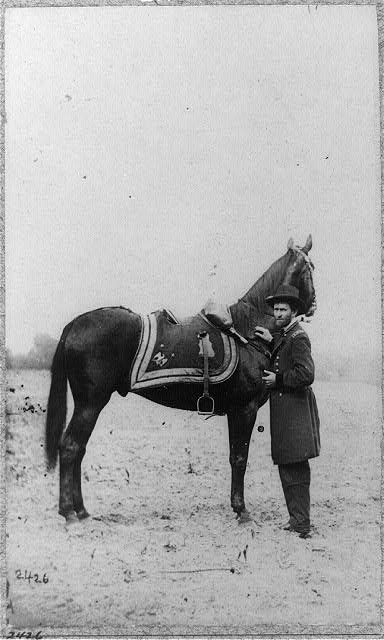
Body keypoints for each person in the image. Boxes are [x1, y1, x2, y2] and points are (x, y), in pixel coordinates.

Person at [254, 284, 320, 539]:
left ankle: (302, 523)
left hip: (295, 413)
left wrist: (278, 380)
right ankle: (296, 519)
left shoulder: (298, 337)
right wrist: (272, 342)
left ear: (293, 311)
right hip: (287, 413)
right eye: (276, 309)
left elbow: (307, 373)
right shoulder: (286, 336)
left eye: (283, 309)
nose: (278, 313)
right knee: (287, 465)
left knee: (296, 466)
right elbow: (284, 355)